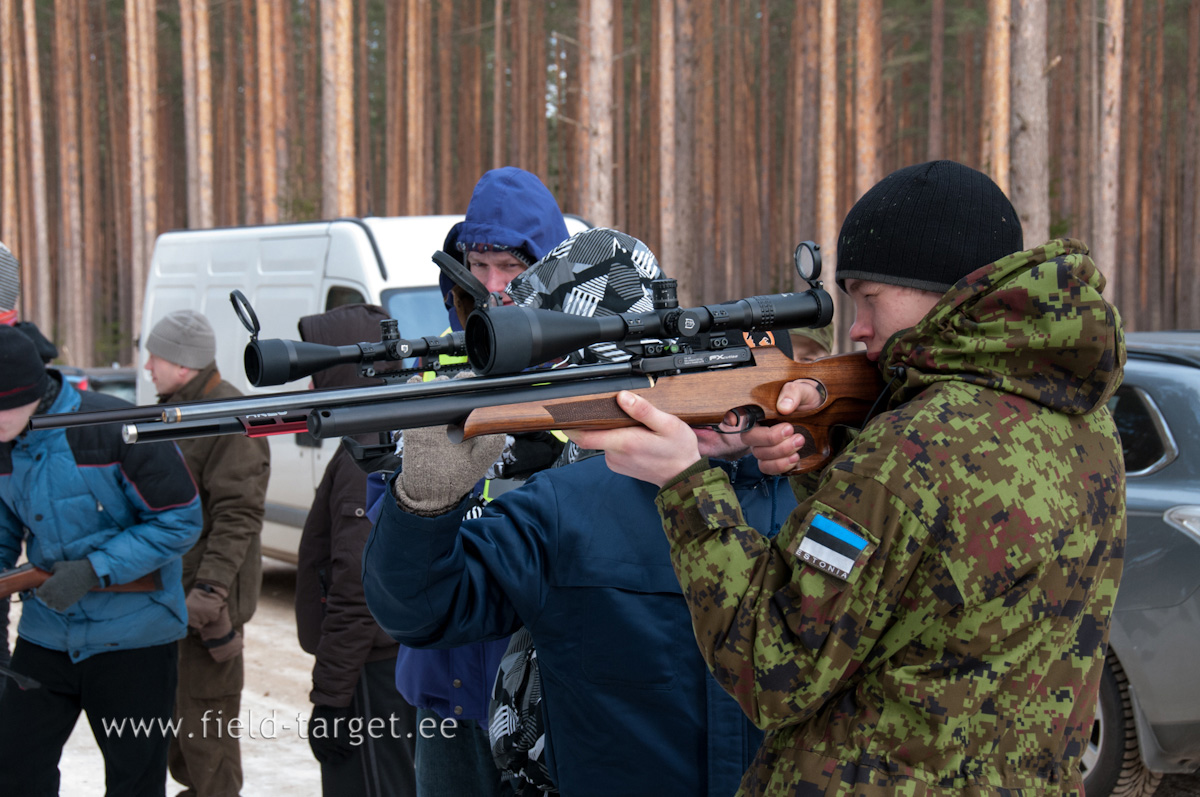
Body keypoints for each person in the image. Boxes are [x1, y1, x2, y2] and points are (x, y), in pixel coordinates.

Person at [568, 160, 1126, 796]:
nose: (856, 328)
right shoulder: (1084, 425)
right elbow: (935, 592)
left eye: (869, 297)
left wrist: (686, 484)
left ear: (943, 291)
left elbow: (772, 667)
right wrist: (828, 454)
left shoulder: (910, 452)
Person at [362, 227, 801, 796]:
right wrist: (422, 503)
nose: (709, 392)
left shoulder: (833, 496)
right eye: (693, 367)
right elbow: (420, 612)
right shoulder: (571, 500)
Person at [388, 166, 570, 797]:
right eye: (480, 265)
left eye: (512, 269)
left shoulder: (589, 367)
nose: (494, 286)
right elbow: (389, 536)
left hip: (548, 686)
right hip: (447, 687)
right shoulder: (429, 372)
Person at [0, 324, 202, 796]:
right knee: (14, 772)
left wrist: (93, 570)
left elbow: (181, 521)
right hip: (46, 632)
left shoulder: (116, 426)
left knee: (135, 782)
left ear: (26, 393)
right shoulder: (5, 443)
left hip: (136, 639)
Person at [144, 309, 271, 797]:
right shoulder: (180, 408)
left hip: (205, 608)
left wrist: (210, 590)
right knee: (180, 743)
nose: (147, 367)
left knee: (208, 751)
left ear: (182, 364)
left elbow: (239, 515)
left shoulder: (227, 416)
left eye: (155, 357)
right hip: (175, 601)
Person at [294, 303, 418, 796]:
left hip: (371, 677)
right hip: (393, 665)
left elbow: (358, 587)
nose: (308, 385)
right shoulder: (391, 427)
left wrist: (332, 698)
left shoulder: (363, 453)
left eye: (315, 372)